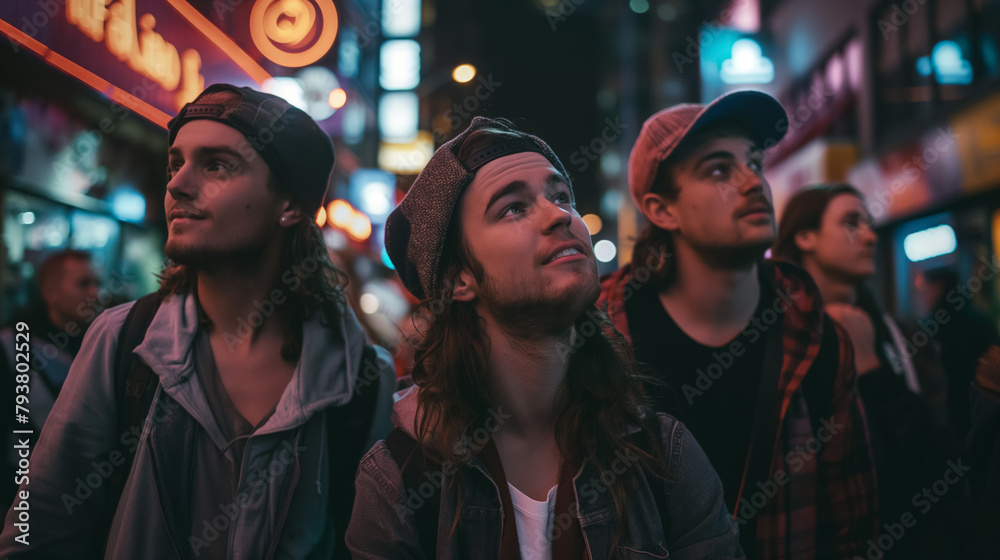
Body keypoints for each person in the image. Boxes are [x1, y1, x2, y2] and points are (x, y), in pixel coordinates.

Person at [0, 84, 395, 559]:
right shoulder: (123, 340)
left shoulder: (362, 377)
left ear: (289, 205)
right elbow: (39, 528)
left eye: (216, 165)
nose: (177, 184)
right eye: (176, 163)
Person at [347, 117, 744, 559]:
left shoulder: (662, 456)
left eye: (561, 197)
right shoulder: (399, 480)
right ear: (459, 279)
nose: (559, 215)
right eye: (513, 207)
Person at [598, 91, 878, 559]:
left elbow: (855, 524)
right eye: (718, 170)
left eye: (754, 163)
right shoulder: (600, 335)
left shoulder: (815, 335)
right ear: (662, 209)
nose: (753, 182)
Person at [774, 184, 961, 559]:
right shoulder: (773, 341)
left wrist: (872, 370)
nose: (870, 236)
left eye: (869, 223)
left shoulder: (905, 339)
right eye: (850, 222)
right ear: (805, 236)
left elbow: (943, 465)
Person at [0, 250, 101, 508]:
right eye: (83, 284)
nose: (94, 294)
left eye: (96, 284)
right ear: (50, 292)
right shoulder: (13, 346)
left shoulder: (101, 345)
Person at [916, 266, 1000, 438]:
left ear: (938, 287)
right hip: (986, 411)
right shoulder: (982, 321)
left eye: (926, 290)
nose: (924, 297)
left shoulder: (931, 329)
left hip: (949, 418)